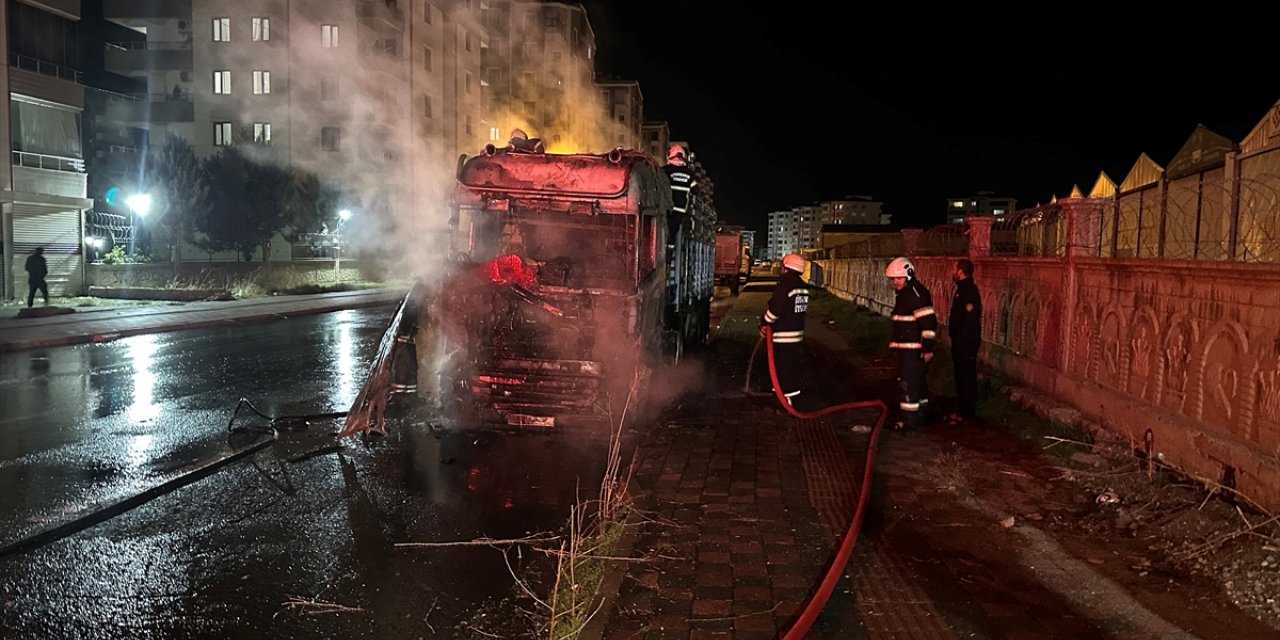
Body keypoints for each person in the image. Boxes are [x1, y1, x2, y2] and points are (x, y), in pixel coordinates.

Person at [886, 256, 936, 429]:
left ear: (908, 275)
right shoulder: (906, 294)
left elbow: (928, 323)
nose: (895, 282)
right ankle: (919, 417)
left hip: (913, 351)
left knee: (909, 385)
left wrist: (928, 348)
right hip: (906, 350)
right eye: (893, 279)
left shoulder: (916, 294)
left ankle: (909, 422)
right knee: (916, 385)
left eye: (898, 278)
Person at [761, 253, 810, 410]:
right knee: (791, 368)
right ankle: (790, 399)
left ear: (786, 267)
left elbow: (776, 310)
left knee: (782, 369)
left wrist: (764, 322)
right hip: (797, 335)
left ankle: (785, 402)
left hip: (783, 336)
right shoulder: (803, 286)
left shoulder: (785, 285)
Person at [948, 258, 982, 423]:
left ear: (960, 271)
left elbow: (969, 319)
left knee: (966, 375)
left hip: (966, 342)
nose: (952, 272)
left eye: (954, 269)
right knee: (960, 375)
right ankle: (963, 408)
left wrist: (961, 339)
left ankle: (968, 411)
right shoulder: (962, 289)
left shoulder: (968, 290)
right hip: (961, 341)